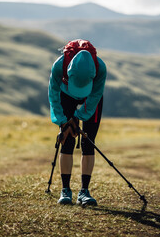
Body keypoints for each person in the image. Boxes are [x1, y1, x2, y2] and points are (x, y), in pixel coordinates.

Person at [48, 39, 106, 206]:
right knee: (66, 139)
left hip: (91, 98)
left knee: (88, 141)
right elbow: (53, 96)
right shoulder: (59, 66)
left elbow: (95, 96)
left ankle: (84, 191)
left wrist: (78, 117)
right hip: (65, 95)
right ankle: (65, 190)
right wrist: (63, 121)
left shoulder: (100, 68)